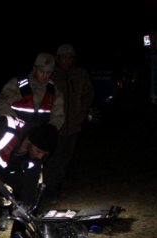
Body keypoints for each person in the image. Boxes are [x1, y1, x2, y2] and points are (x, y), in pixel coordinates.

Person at [0, 115, 58, 230]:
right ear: (29, 139)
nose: (40, 156)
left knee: (29, 199)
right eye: (38, 151)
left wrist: (25, 208)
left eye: (44, 154)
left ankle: (20, 234)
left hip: (6, 172)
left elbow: (30, 184)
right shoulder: (7, 131)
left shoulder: (36, 159)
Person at [43, 44, 94, 203]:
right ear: (57, 58)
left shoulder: (80, 74)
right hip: (56, 126)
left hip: (74, 125)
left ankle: (60, 186)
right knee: (53, 159)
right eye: (63, 57)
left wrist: (82, 113)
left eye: (69, 57)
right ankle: (49, 191)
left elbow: (88, 94)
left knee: (66, 158)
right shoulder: (52, 75)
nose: (67, 60)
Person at [0, 52, 65, 132]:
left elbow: (58, 116)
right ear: (34, 68)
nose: (45, 75)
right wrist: (16, 123)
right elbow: (0, 104)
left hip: (38, 138)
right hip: (15, 132)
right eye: (41, 71)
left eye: (48, 72)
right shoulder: (17, 84)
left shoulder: (54, 91)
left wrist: (49, 131)